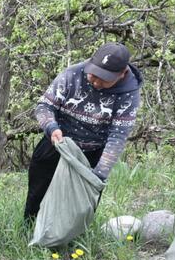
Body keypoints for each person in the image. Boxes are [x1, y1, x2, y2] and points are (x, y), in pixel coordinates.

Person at [25, 42, 143, 219]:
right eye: (93, 75)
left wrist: (99, 174)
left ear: (122, 74)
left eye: (104, 79)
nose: (96, 82)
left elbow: (118, 136)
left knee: (80, 207)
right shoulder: (72, 74)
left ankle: (73, 234)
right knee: (37, 195)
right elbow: (44, 106)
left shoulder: (129, 94)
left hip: (92, 152)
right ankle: (30, 229)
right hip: (56, 142)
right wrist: (51, 127)